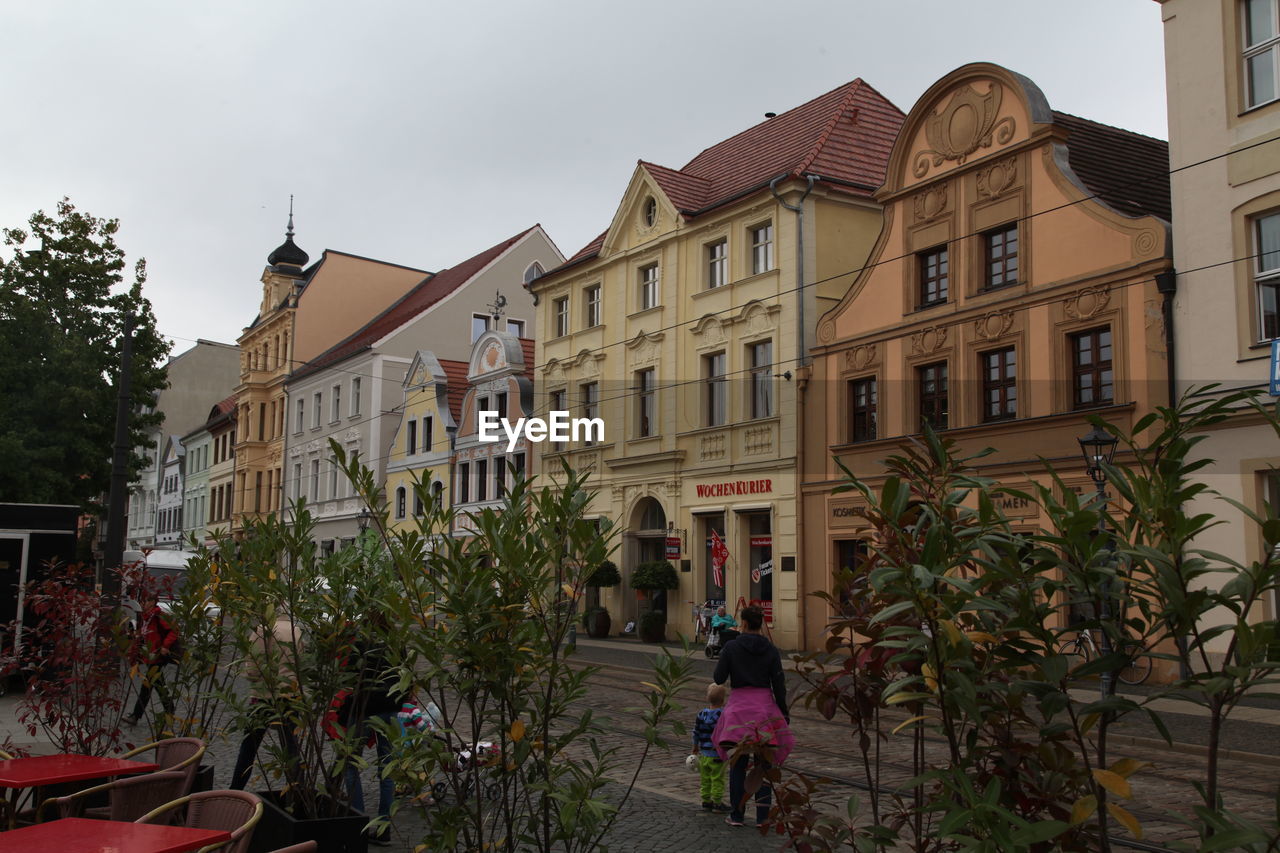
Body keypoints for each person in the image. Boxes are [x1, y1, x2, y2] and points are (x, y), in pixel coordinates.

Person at [711, 604, 794, 828]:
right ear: (761, 624)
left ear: (744, 623)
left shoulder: (731, 647)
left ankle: (737, 815)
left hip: (738, 713)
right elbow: (779, 685)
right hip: (764, 712)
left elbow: (718, 678)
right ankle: (763, 817)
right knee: (764, 767)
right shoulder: (770, 650)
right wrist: (783, 714)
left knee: (738, 765)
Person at [340, 619, 403, 847]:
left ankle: (358, 825)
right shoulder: (396, 642)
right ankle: (384, 828)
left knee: (350, 763)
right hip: (390, 708)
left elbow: (349, 673)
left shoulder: (362, 642)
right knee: (387, 768)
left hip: (365, 708)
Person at [230, 607, 302, 792]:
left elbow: (253, 668)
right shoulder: (296, 629)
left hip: (265, 696)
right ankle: (297, 792)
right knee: (291, 750)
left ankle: (235, 790)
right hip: (290, 695)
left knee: (248, 749)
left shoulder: (263, 630)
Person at [124, 595, 179, 726]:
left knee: (147, 687)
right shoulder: (146, 617)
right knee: (159, 686)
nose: (144, 603)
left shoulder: (159, 616)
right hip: (151, 656)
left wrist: (165, 646)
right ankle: (170, 710)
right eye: (143, 600)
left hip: (158, 656)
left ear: (153, 602)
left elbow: (174, 631)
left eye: (147, 600)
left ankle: (136, 716)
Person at [690, 683, 729, 812]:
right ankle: (717, 802)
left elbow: (696, 732)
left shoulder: (701, 714)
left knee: (705, 778)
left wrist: (695, 745)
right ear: (723, 700)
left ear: (707, 698)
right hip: (717, 754)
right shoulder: (723, 715)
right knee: (717, 778)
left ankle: (706, 800)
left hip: (704, 754)